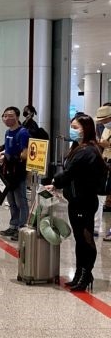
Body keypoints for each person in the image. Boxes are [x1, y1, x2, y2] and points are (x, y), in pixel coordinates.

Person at [49, 114, 105, 291]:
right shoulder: (78, 147)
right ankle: (81, 273)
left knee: (85, 240)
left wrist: (55, 182)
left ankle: (86, 274)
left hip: (84, 200)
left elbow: (70, 172)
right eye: (71, 127)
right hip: (76, 199)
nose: (72, 131)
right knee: (79, 239)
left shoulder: (88, 150)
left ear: (86, 128)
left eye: (76, 127)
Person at [0, 107, 30, 241]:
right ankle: (13, 225)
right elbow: (9, 148)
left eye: (10, 116)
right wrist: (2, 152)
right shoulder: (8, 132)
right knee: (11, 200)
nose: (7, 118)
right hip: (7, 170)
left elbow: (25, 154)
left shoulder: (23, 133)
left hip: (18, 171)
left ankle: (22, 227)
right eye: (5, 116)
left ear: (17, 117)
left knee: (21, 200)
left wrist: (9, 157)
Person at [95, 105, 111, 241]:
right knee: (103, 195)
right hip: (107, 164)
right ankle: (97, 227)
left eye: (106, 120)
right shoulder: (106, 129)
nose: (104, 123)